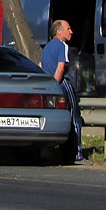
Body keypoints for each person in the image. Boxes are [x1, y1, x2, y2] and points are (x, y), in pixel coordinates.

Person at [41, 19, 88, 165]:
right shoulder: (62, 46)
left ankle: (57, 152)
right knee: (74, 118)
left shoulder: (47, 47)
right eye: (68, 29)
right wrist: (56, 84)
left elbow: (41, 65)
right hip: (61, 84)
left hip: (49, 85)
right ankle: (76, 154)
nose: (71, 32)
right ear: (59, 31)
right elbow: (61, 68)